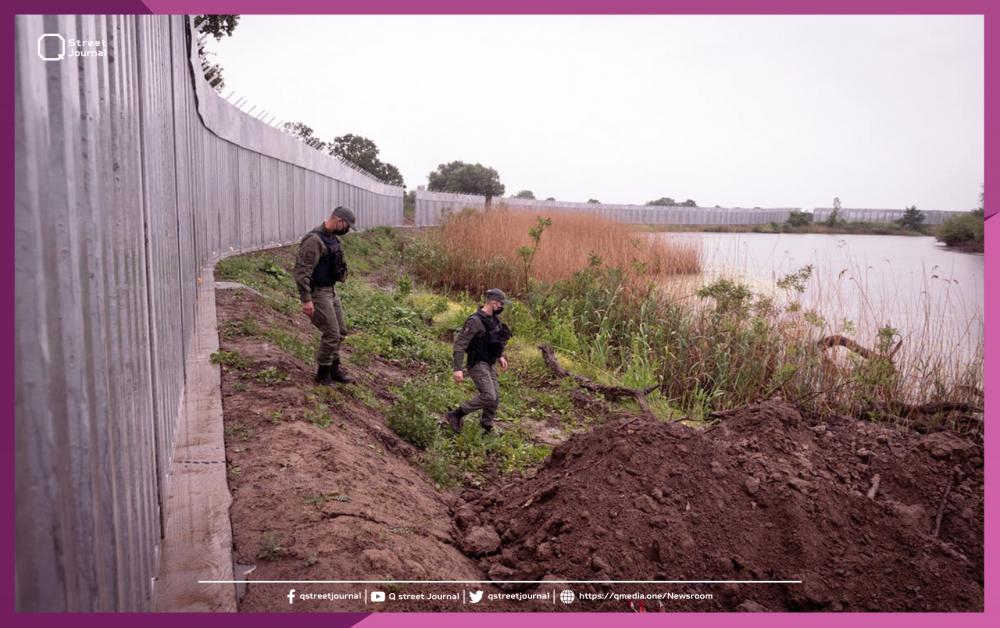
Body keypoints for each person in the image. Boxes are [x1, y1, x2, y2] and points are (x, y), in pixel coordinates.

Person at [293, 206, 356, 385]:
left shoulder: (332, 239)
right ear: (338, 220)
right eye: (346, 225)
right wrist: (306, 299)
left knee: (341, 331)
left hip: (331, 291)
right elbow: (301, 272)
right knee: (331, 333)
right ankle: (323, 373)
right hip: (318, 293)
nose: (347, 229)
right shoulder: (314, 240)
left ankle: (334, 369)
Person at [444, 288, 513, 434]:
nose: (502, 307)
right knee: (489, 396)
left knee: (495, 399)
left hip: (489, 363)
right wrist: (457, 368)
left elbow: (492, 340)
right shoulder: (475, 321)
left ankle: (486, 427)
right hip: (477, 364)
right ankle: (456, 415)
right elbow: (460, 345)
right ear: (493, 303)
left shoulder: (493, 320)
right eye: (501, 304)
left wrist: (500, 356)